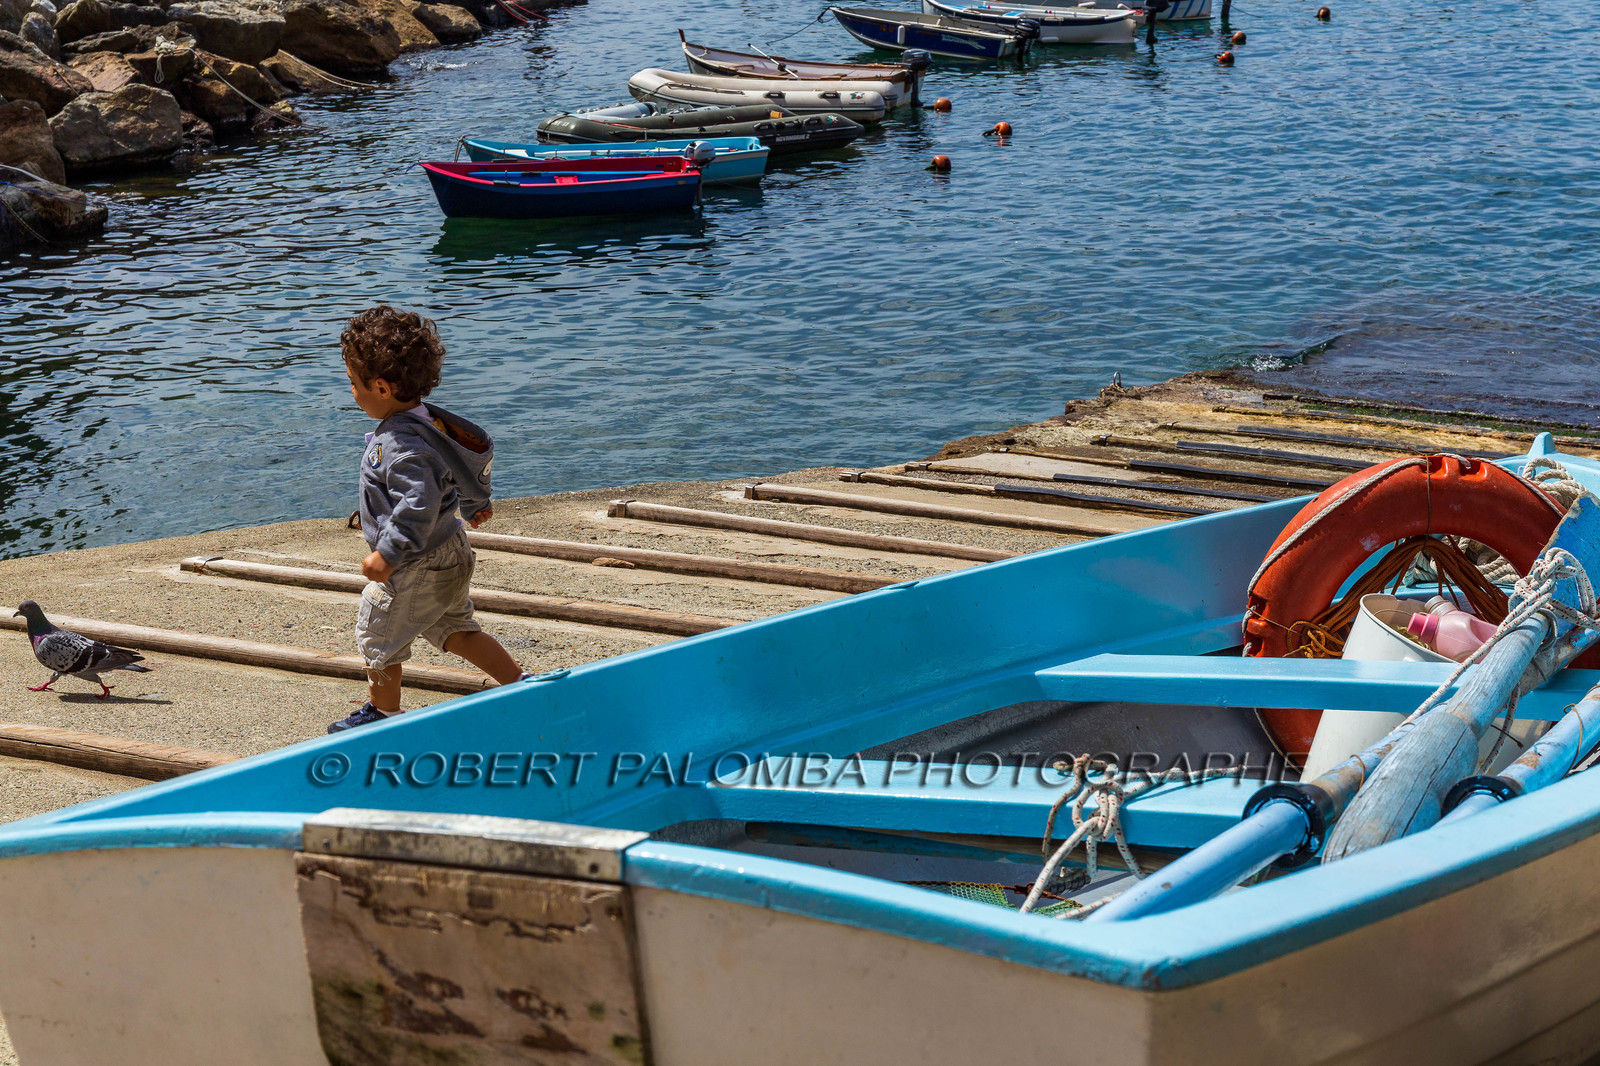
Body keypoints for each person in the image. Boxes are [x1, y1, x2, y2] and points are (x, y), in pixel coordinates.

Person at [329, 306, 524, 732]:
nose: (352, 393)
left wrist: (388, 553)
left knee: (378, 633)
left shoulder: (399, 444)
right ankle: (520, 685)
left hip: (415, 563)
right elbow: (458, 465)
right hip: (450, 549)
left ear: (380, 386)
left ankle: (381, 716)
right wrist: (475, 505)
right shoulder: (432, 421)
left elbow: (417, 502)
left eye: (353, 385)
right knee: (455, 627)